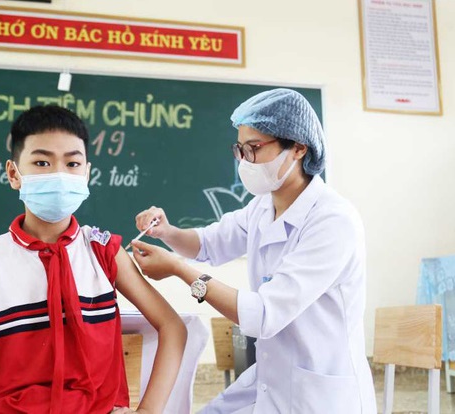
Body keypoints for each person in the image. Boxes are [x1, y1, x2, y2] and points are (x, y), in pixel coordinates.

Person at [131, 89, 377, 414]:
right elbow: (207, 243)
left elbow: (263, 315)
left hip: (320, 396)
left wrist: (178, 269)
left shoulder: (332, 220)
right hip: (273, 381)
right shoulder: (262, 207)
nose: (245, 161)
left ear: (299, 147)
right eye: (240, 149)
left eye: (254, 148)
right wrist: (167, 231)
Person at [0, 105, 187, 414]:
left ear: (86, 173)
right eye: (42, 162)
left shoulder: (102, 252)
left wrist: (148, 410)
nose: (59, 174)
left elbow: (172, 326)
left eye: (72, 163)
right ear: (13, 174)